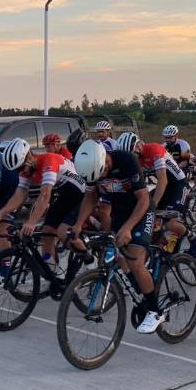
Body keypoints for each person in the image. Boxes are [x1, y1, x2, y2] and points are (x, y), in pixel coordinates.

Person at [72, 140, 162, 334]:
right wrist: (79, 224)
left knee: (135, 261)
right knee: (121, 259)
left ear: (105, 161)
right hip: (120, 211)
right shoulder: (91, 168)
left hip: (141, 210)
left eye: (103, 173)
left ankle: (155, 311)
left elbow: (143, 198)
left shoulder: (126, 160)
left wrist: (128, 228)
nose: (102, 177)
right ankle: (142, 293)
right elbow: (90, 197)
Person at [0, 138, 87, 294]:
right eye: (17, 170)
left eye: (21, 167)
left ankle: (90, 262)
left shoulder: (48, 160)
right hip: (65, 196)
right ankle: (53, 276)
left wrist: (31, 222)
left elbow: (45, 195)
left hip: (81, 196)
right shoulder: (26, 168)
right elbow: (19, 195)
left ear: (29, 157)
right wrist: (0, 213)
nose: (21, 172)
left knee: (63, 232)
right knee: (46, 233)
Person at [117, 132, 196, 256]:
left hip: (178, 185)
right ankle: (162, 244)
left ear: (138, 146)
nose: (131, 159)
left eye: (132, 154)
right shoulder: (137, 158)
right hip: (165, 187)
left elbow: (163, 181)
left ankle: (194, 238)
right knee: (147, 214)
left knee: (171, 222)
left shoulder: (154, 150)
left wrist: (153, 205)